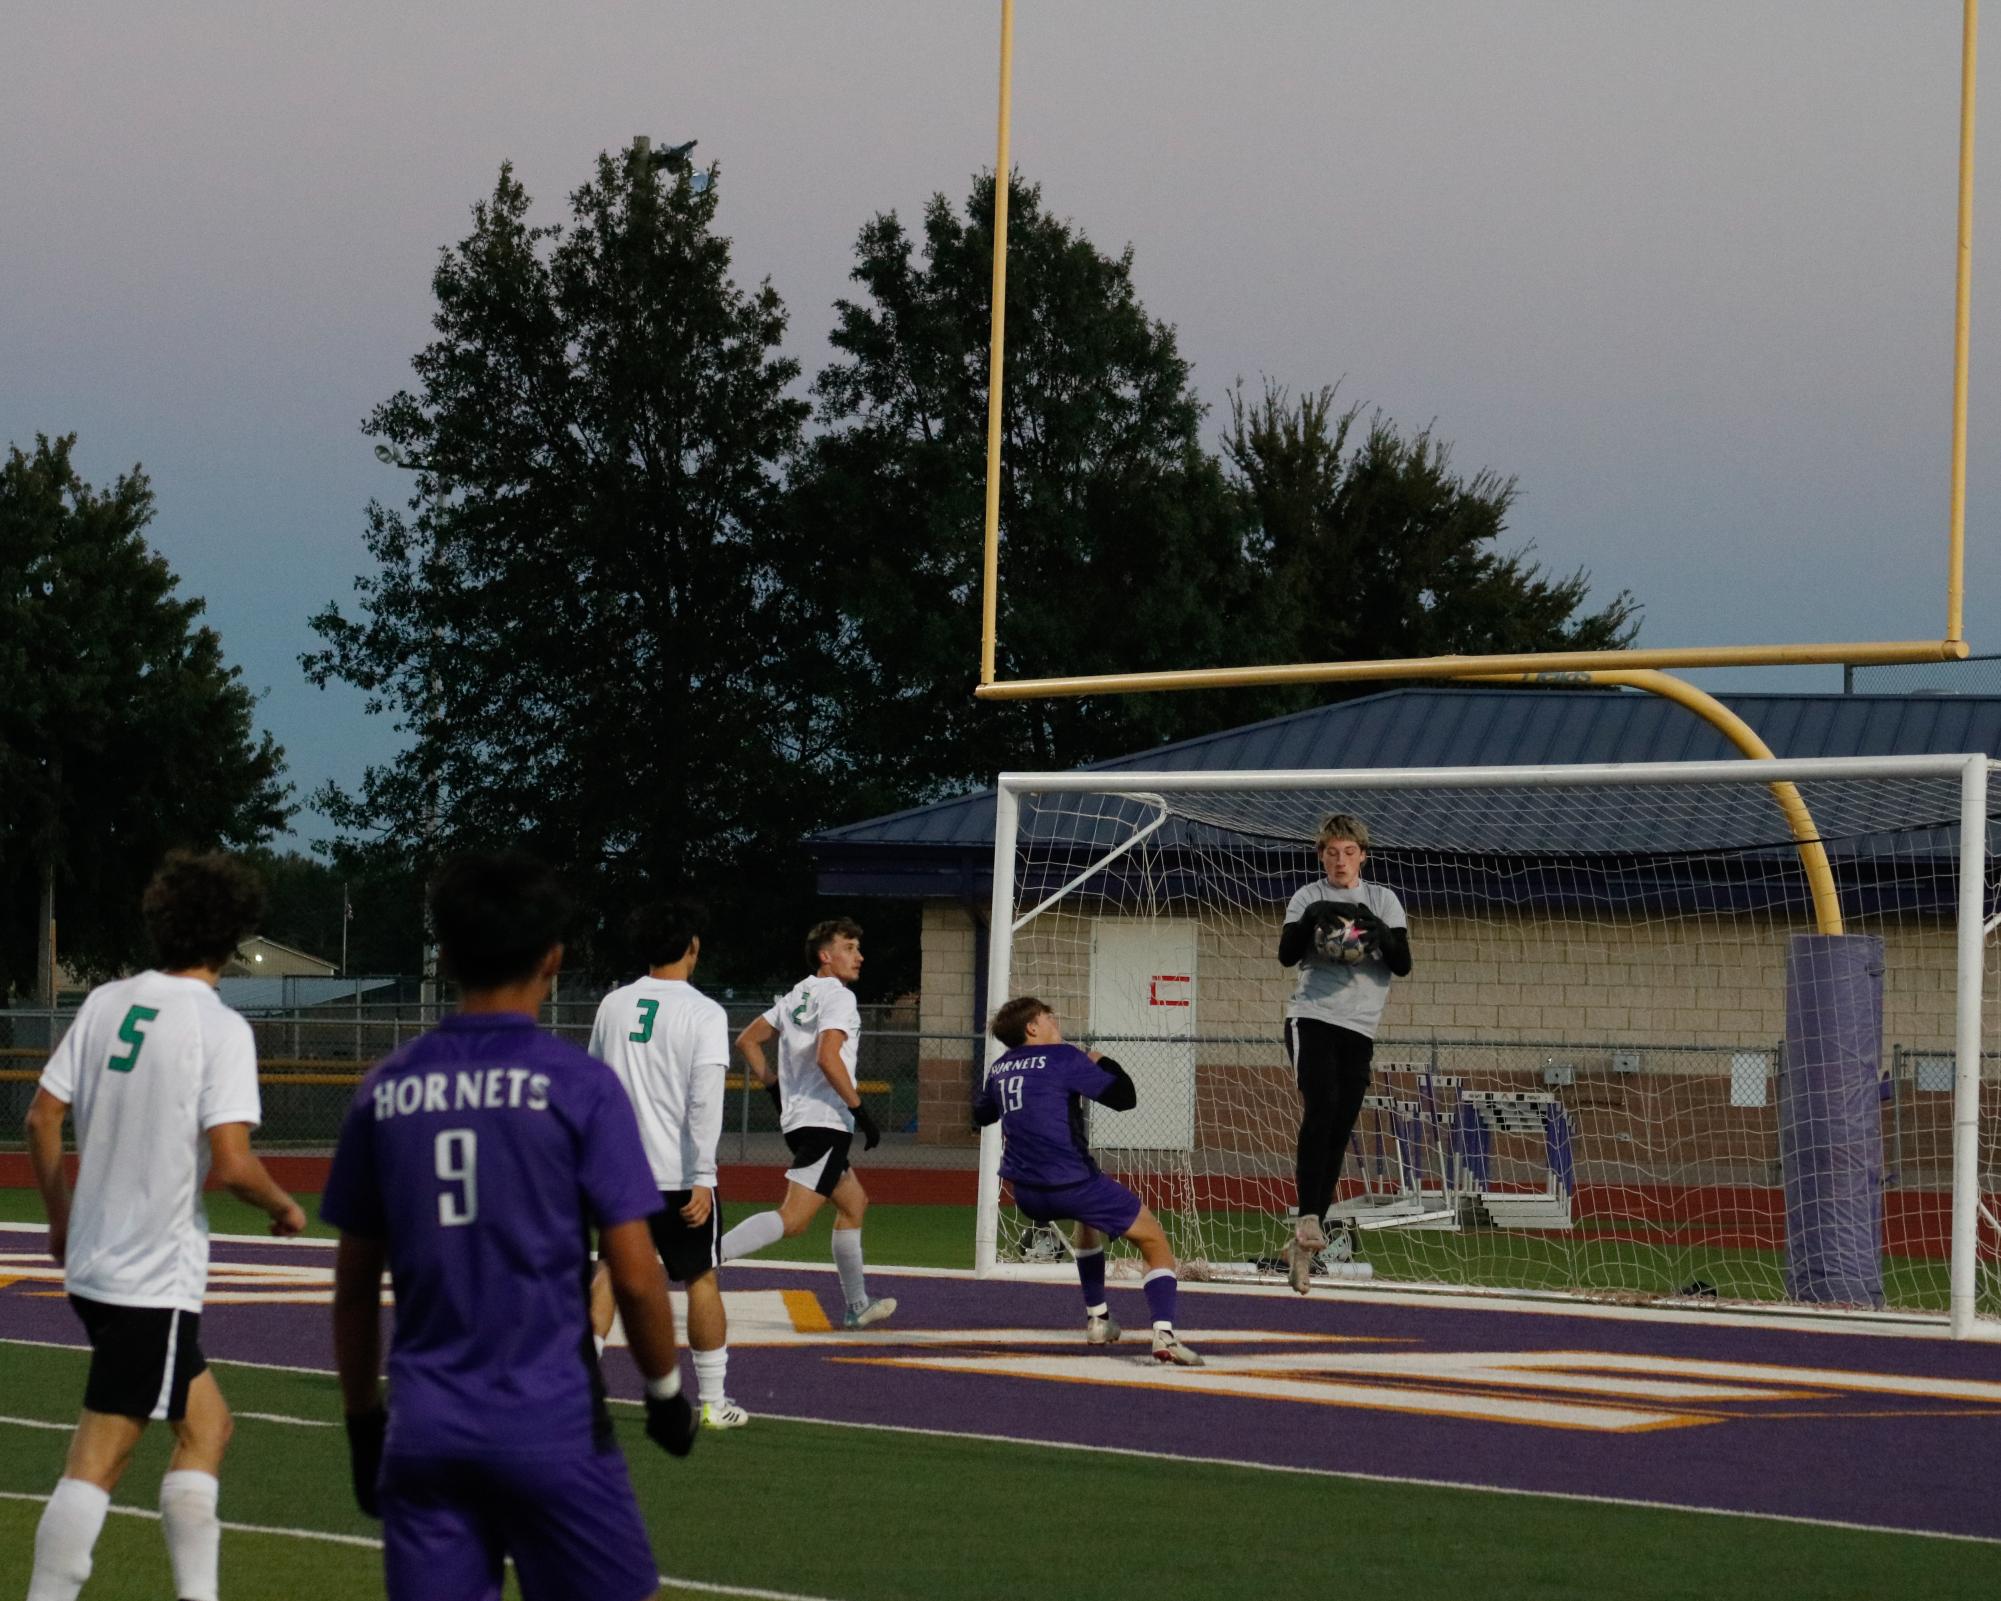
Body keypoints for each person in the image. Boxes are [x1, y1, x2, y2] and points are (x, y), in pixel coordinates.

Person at [322, 852, 697, 1601]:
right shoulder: (579, 1085)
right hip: (550, 1422)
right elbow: (633, 1271)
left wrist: (365, 1423)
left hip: (426, 1428)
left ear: (449, 954)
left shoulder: (387, 1087)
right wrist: (662, 1390)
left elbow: (355, 1286)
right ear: (552, 956)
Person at [24, 851, 306, 1601]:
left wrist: (61, 1221)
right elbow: (234, 1163)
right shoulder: (219, 1027)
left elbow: (42, 1116)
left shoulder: (107, 1002)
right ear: (234, 934)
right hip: (151, 1277)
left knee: (207, 1426)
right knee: (99, 1459)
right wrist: (283, 1205)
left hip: (96, 1264)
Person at [586, 899, 747, 1429]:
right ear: (692, 947)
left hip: (617, 1173)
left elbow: (592, 1084)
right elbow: (705, 1098)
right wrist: (704, 1174)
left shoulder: (612, 1004)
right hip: (678, 1175)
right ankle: (713, 1402)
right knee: (700, 1278)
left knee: (609, 1272)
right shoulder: (704, 1011)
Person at [972, 997, 1202, 1366]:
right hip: (1072, 1183)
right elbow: (1125, 1098)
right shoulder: (1064, 1056)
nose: (1055, 1020)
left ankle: (1099, 1319)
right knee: (1154, 1239)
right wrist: (1099, 1060)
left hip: (1026, 1194)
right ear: (1032, 1028)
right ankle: (1165, 1334)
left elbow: (980, 1115)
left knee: (1087, 1222)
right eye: (1048, 1016)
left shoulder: (1000, 1067)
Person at [716, 917, 895, 1329]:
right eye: (850, 947)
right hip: (826, 1121)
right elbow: (827, 1057)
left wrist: (777, 1090)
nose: (859, 956)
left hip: (800, 1120)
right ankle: (706, 1257)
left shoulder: (798, 994)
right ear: (825, 956)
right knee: (794, 1219)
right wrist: (860, 1110)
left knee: (854, 1204)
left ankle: (857, 1305)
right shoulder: (838, 997)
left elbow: (748, 1040)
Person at [1275, 812, 1412, 1294]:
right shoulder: (1308, 896)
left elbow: (1403, 964)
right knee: (1323, 1105)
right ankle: (1309, 1217)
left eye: (1349, 852)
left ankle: (1304, 1239)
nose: (1340, 860)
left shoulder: (1383, 899)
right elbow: (1287, 954)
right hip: (1311, 1017)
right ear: (1321, 855)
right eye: (1331, 852)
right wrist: (1315, 919)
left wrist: (1376, 929)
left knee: (1341, 1124)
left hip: (1361, 1027)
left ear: (1362, 856)